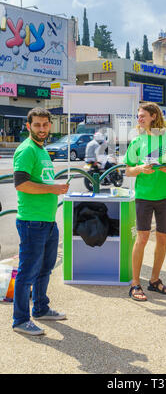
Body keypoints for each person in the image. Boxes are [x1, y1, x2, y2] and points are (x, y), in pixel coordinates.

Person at [12, 107, 69, 336]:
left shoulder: (42, 149)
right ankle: (20, 320)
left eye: (45, 125)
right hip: (31, 221)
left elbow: (40, 181)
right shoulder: (26, 150)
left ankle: (41, 308)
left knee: (45, 268)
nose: (42, 129)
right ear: (28, 126)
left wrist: (54, 189)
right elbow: (21, 184)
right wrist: (53, 189)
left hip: (47, 220)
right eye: (37, 125)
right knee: (28, 272)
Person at [124, 102, 166, 301]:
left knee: (162, 239)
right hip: (144, 196)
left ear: (153, 116)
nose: (139, 119)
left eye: (142, 116)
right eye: (138, 116)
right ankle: (135, 284)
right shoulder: (137, 142)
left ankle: (154, 280)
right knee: (141, 238)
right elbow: (128, 170)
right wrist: (141, 169)